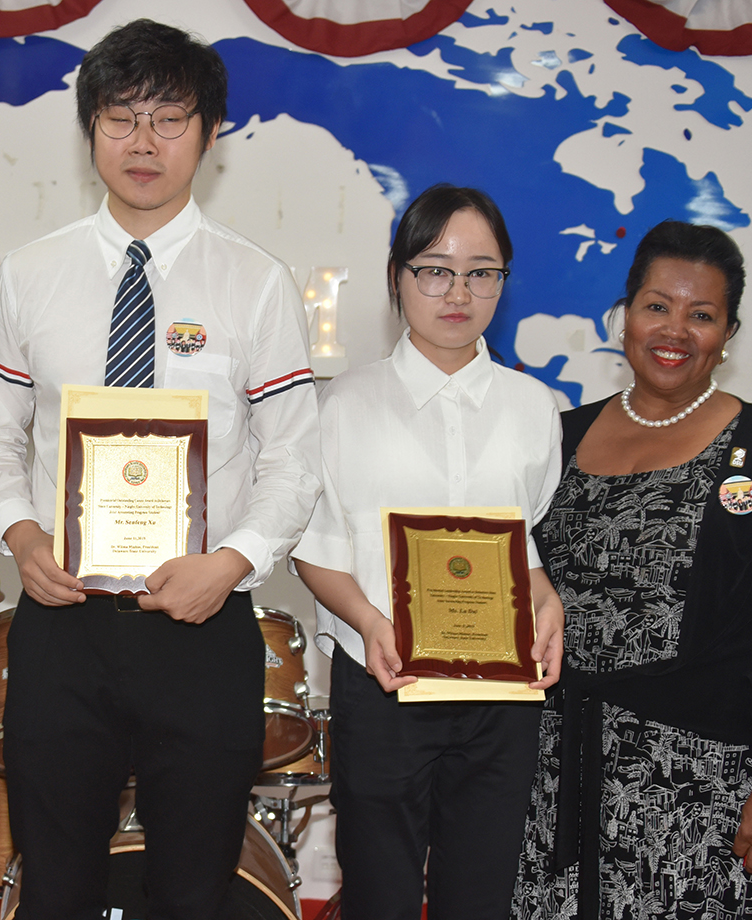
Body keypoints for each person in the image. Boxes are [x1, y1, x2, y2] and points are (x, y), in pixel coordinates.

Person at [0, 18, 321, 919]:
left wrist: (233, 561)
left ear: (210, 135)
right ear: (89, 128)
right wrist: (19, 533)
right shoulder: (27, 276)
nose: (143, 142)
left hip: (205, 626)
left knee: (193, 890)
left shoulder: (255, 283)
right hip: (62, 620)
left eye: (170, 118)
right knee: (56, 885)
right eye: (121, 116)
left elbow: (292, 459)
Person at [510, 221, 752, 919]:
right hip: (553, 777)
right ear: (625, 314)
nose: (675, 330)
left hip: (698, 791)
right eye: (657, 306)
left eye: (702, 315)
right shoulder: (557, 438)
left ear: (728, 334)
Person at [290, 185, 566, 919]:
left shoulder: (532, 407)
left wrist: (546, 599)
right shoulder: (343, 405)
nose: (459, 292)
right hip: (383, 681)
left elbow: (523, 539)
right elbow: (316, 550)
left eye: (482, 272)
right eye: (435, 269)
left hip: (500, 695)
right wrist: (370, 621)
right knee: (378, 892)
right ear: (397, 278)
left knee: (478, 894)